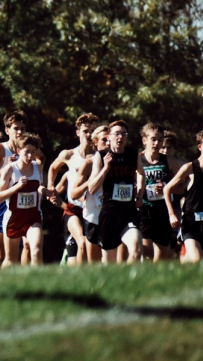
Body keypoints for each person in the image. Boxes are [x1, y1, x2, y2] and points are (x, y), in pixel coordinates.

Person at [87, 120, 144, 264]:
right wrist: (105, 168)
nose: (120, 137)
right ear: (109, 137)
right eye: (117, 134)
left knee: (136, 248)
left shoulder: (133, 154)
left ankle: (130, 282)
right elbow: (92, 188)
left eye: (124, 134)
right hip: (110, 214)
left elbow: (141, 173)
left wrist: (140, 193)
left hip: (129, 212)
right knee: (109, 264)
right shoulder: (100, 156)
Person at [164, 128, 203, 262]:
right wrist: (172, 214)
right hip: (191, 223)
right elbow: (167, 189)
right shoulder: (190, 168)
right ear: (200, 147)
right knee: (198, 260)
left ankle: (184, 268)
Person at [46, 113, 99, 264]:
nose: (89, 135)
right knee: (82, 242)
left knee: (85, 256)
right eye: (85, 131)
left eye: (92, 131)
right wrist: (50, 184)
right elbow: (53, 168)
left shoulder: (99, 157)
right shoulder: (69, 154)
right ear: (78, 133)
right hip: (73, 210)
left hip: (94, 209)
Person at [0, 112, 28, 267]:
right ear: (7, 130)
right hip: (3, 202)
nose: (20, 132)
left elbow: (42, 159)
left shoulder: (27, 148)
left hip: (23, 202)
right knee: (1, 254)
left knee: (24, 249)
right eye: (16, 128)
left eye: (23, 128)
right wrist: (7, 168)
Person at [0, 134, 45, 266]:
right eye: (26, 152)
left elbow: (38, 187)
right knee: (11, 260)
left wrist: (44, 190)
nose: (30, 156)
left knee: (36, 250)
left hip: (33, 217)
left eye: (33, 152)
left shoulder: (37, 167)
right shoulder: (10, 169)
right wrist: (17, 187)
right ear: (18, 151)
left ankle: (38, 285)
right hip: (14, 218)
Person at [137, 123, 182, 262]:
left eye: (160, 139)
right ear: (144, 140)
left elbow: (183, 186)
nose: (157, 143)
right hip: (144, 211)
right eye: (153, 139)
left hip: (162, 212)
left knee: (161, 259)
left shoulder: (170, 162)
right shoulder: (137, 159)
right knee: (147, 254)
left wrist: (167, 188)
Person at [70, 125, 108, 263]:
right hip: (93, 217)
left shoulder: (119, 160)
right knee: (95, 263)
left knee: (114, 262)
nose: (108, 143)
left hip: (113, 215)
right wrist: (89, 183)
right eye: (104, 140)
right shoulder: (88, 164)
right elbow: (73, 194)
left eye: (110, 139)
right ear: (95, 143)